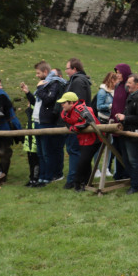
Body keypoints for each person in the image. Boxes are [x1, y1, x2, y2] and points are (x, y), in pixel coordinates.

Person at [21, 61, 66, 186]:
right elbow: (38, 103)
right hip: (38, 121)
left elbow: (49, 100)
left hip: (47, 122)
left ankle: (48, 177)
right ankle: (41, 177)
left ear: (45, 72)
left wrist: (39, 87)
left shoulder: (54, 83)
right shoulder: (45, 84)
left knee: (47, 152)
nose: (37, 75)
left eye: (38, 73)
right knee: (40, 152)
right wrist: (28, 93)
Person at [57, 91, 101, 192]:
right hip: (82, 139)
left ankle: (77, 183)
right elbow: (67, 123)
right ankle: (86, 184)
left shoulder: (82, 109)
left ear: (71, 103)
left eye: (64, 102)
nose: (62, 104)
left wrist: (75, 128)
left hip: (94, 138)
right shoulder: (65, 112)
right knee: (85, 162)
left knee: (83, 161)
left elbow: (90, 120)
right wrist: (73, 128)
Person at [59, 58, 92, 189]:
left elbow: (77, 105)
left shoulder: (77, 81)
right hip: (77, 123)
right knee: (77, 152)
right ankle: (80, 179)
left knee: (75, 151)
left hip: (78, 124)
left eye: (67, 68)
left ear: (74, 69)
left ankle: (74, 180)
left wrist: (73, 122)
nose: (66, 71)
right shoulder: (77, 80)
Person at [115, 73, 138, 195]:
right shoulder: (132, 96)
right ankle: (134, 182)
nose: (127, 85)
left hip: (134, 134)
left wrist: (125, 118)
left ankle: (136, 186)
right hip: (127, 132)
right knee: (127, 159)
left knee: (133, 160)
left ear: (137, 85)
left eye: (129, 83)